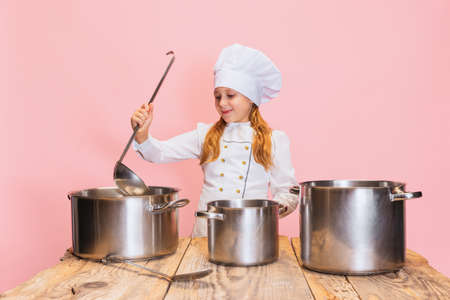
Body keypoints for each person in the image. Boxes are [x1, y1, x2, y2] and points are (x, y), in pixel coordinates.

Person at [131, 43, 298, 237]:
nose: (222, 103)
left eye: (230, 95)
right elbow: (159, 153)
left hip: (252, 234)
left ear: (251, 98)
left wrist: (271, 211)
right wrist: (142, 134)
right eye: (217, 96)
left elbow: (288, 191)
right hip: (206, 234)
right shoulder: (206, 135)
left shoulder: (274, 140)